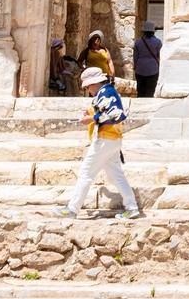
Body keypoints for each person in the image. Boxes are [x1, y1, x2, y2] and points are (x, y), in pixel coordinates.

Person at [59, 67, 140, 220]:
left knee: (85, 174)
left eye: (88, 86)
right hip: (112, 140)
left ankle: (72, 209)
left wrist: (91, 119)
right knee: (116, 176)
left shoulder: (106, 92)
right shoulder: (107, 92)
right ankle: (132, 207)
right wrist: (90, 114)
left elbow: (117, 114)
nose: (88, 89)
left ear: (95, 83)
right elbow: (104, 111)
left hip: (104, 140)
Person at [133, 20, 162, 98]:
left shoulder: (138, 42)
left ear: (144, 31)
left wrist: (135, 67)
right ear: (153, 31)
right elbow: (159, 56)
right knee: (150, 91)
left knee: (140, 91)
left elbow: (135, 57)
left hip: (140, 69)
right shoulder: (158, 42)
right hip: (153, 69)